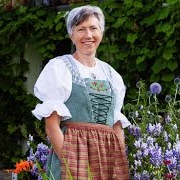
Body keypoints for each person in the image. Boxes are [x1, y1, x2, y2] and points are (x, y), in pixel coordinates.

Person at [31, 5, 130, 180]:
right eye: (81, 29)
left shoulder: (111, 75)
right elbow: (52, 125)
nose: (88, 35)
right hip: (73, 154)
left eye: (93, 28)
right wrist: (71, 165)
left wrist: (120, 163)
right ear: (72, 35)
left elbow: (116, 126)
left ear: (101, 32)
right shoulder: (60, 68)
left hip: (107, 157)